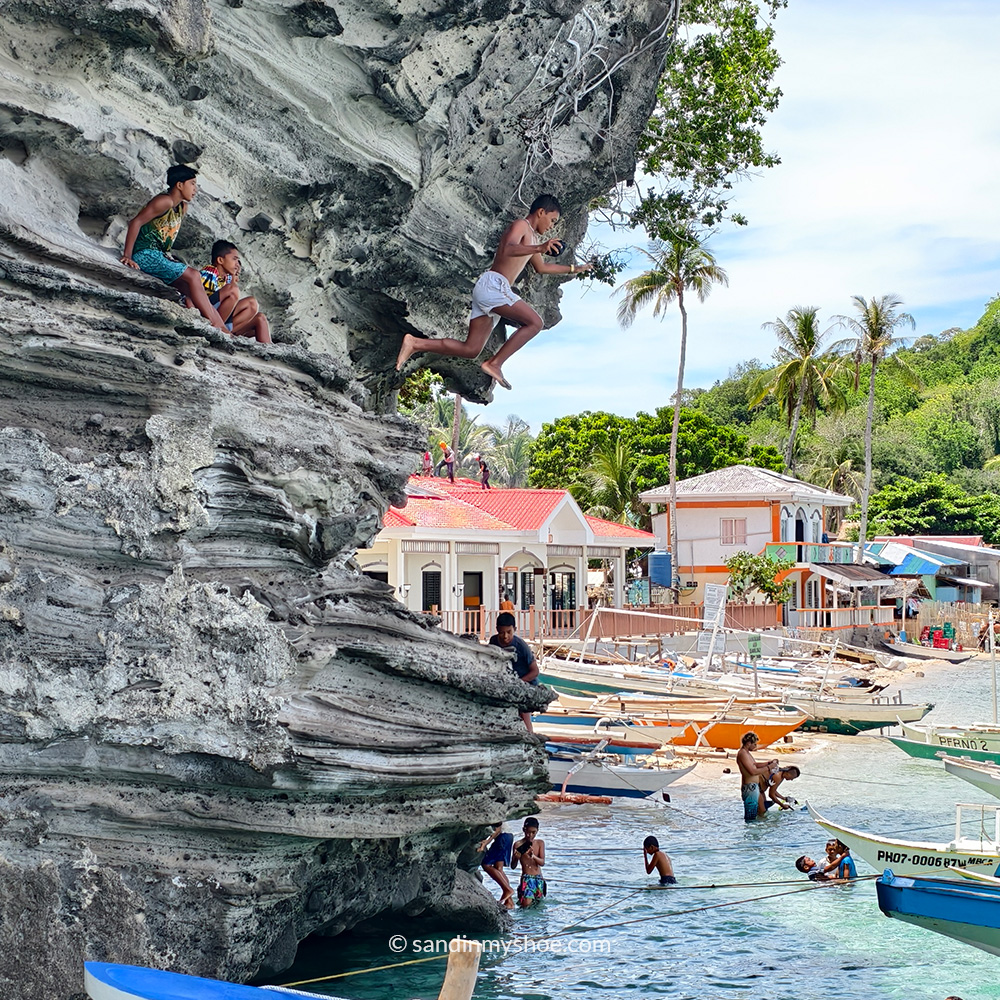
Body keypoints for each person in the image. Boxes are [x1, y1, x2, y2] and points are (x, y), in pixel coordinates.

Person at [395, 194, 593, 392]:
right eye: (552, 220)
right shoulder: (521, 225)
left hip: (493, 290)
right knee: (535, 323)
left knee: (471, 349)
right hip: (494, 285)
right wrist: (540, 247)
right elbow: (508, 248)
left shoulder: (532, 237)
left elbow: (542, 268)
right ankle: (494, 364)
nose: (551, 226)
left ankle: (415, 343)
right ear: (541, 212)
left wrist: (576, 269)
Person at [120, 165, 228, 332]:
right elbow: (136, 222)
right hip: (145, 254)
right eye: (192, 184)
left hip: (159, 257)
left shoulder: (182, 207)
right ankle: (218, 326)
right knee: (193, 275)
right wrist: (128, 256)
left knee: (190, 288)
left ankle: (222, 328)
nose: (195, 189)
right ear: (179, 185)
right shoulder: (165, 201)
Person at [199, 240, 271, 343]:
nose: (237, 265)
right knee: (233, 290)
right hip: (205, 315)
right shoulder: (210, 272)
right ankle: (217, 329)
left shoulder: (226, 279)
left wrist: (233, 276)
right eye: (234, 259)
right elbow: (198, 297)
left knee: (254, 308)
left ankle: (269, 349)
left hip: (220, 317)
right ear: (220, 260)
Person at [489, 611, 539, 732]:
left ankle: (529, 735)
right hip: (505, 682)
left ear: (514, 629)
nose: (505, 636)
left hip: (525, 683)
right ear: (497, 630)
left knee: (523, 712)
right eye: (501, 633)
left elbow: (535, 671)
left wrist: (519, 682)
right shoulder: (493, 642)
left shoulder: (521, 646)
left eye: (509, 632)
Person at [737, 732, 777, 823]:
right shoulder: (742, 753)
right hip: (749, 787)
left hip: (753, 787)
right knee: (750, 816)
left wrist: (768, 763)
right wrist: (768, 768)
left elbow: (754, 765)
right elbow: (753, 771)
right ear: (748, 743)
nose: (755, 746)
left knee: (755, 813)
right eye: (754, 744)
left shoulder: (747, 753)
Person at [479, 823, 515, 909]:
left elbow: (497, 830)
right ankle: (509, 901)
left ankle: (507, 889)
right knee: (499, 869)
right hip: (508, 836)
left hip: (502, 837)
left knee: (486, 864)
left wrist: (486, 843)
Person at [513, 816, 546, 907]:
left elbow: (542, 862)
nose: (530, 835)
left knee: (538, 905)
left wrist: (533, 856)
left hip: (539, 878)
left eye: (533, 832)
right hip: (526, 878)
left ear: (537, 831)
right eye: (528, 832)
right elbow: (513, 866)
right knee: (526, 905)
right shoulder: (518, 844)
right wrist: (516, 857)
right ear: (524, 830)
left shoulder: (540, 843)